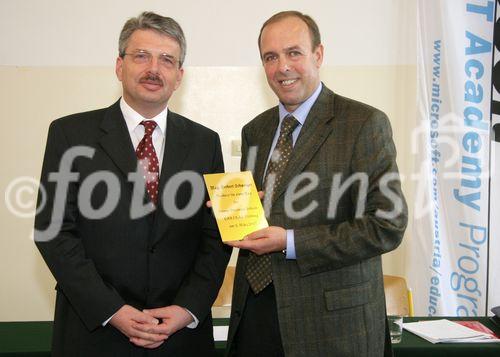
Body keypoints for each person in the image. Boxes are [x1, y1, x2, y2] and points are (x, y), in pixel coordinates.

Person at [34, 12, 230, 356]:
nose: (154, 68)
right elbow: (53, 232)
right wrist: (113, 310)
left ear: (179, 76)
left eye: (167, 59)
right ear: (118, 65)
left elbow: (214, 239)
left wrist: (187, 309)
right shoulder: (69, 134)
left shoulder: (206, 143)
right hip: (94, 332)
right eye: (141, 55)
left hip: (180, 338)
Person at [225, 11, 408, 357]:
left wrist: (290, 242)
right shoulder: (256, 131)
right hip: (255, 317)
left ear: (318, 55)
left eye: (294, 52)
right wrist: (232, 211)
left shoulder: (363, 123)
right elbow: (261, 211)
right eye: (270, 57)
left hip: (332, 326)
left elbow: (387, 225)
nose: (282, 67)